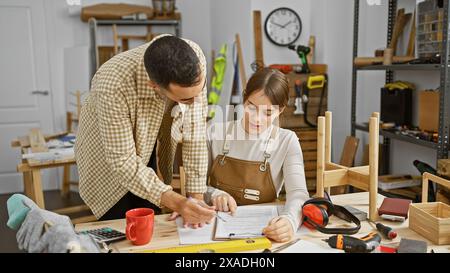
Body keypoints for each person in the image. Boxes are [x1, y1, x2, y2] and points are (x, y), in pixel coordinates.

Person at [75, 34, 215, 227]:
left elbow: (195, 133)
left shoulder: (195, 56)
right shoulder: (112, 83)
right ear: (154, 86)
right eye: (185, 100)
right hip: (110, 158)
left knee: (153, 221)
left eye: (197, 94)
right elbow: (123, 161)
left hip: (149, 142)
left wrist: (195, 200)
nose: (194, 103)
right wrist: (179, 202)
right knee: (124, 228)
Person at [205, 68, 310, 242]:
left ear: (281, 110)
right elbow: (195, 188)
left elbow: (298, 193)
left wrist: (290, 221)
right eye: (251, 107)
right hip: (214, 229)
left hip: (263, 232)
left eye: (268, 112)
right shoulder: (215, 132)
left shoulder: (287, 141)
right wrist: (214, 194)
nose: (257, 119)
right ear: (244, 99)